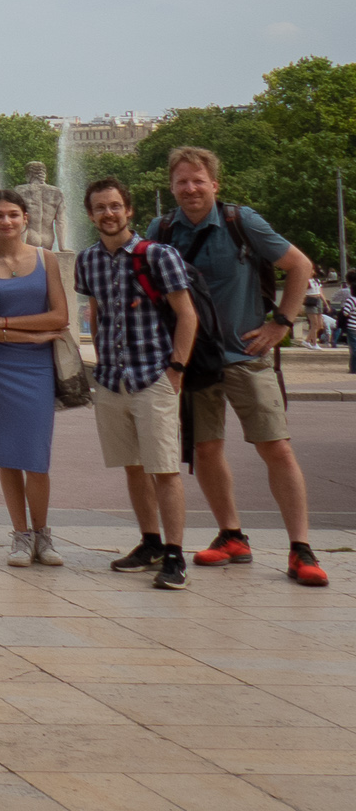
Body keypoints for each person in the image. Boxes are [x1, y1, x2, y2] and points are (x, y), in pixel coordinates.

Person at [145, 145, 326, 586]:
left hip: (246, 355)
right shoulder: (162, 228)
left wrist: (281, 323)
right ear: (171, 186)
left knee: (276, 447)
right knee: (206, 450)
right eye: (181, 181)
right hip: (196, 360)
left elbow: (299, 265)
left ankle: (300, 547)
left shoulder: (239, 221)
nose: (190, 188)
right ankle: (231, 535)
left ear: (214, 184)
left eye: (197, 180)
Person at [76, 176, 198, 589]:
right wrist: (97, 364)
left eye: (115, 206)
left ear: (128, 209)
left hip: (153, 375)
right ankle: (150, 542)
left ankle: (176, 555)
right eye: (99, 208)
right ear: (90, 215)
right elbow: (94, 313)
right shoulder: (88, 260)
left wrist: (176, 369)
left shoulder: (158, 255)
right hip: (111, 379)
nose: (108, 214)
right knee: (132, 465)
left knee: (164, 468)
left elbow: (187, 314)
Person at [0, 187, 69, 566]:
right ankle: (20, 534)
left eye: (13, 214)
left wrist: (7, 324)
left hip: (36, 367)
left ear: (26, 218)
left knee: (36, 455)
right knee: (7, 454)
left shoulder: (46, 259)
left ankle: (43, 535)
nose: (7, 221)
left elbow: (60, 318)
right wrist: (29, 333)